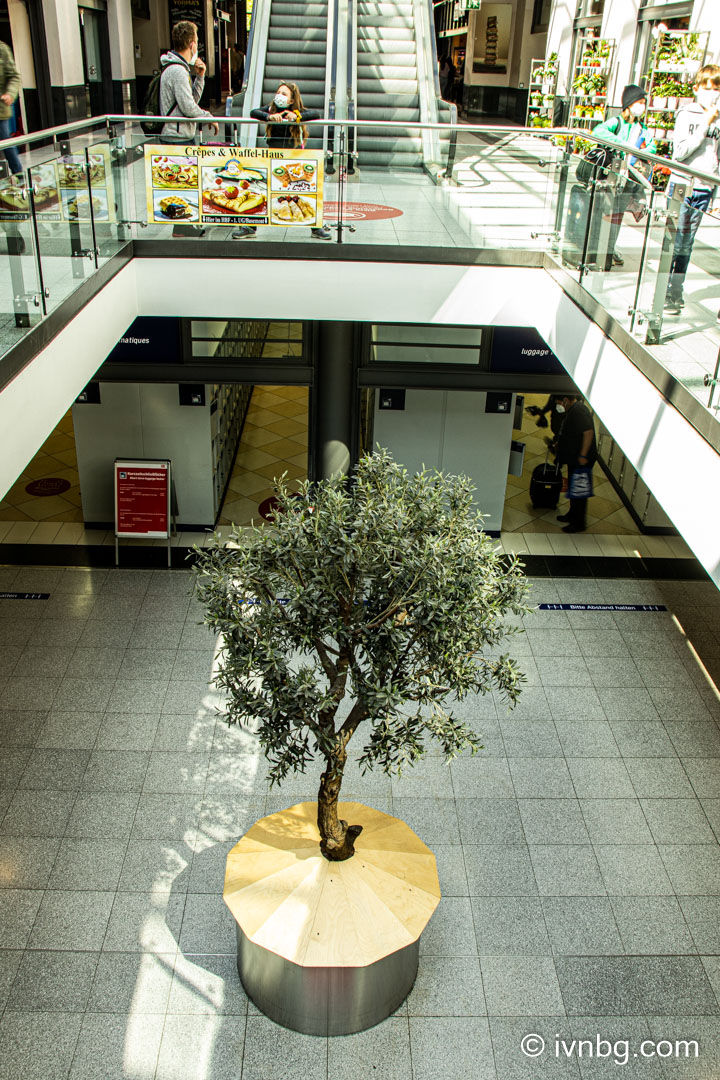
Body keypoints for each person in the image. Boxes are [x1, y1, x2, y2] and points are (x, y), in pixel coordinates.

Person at [233, 81, 331, 240]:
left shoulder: (296, 110)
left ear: (292, 100)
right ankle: (251, 226)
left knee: (305, 191)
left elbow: (315, 114)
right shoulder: (271, 109)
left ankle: (316, 227)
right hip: (274, 157)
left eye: (284, 94)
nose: (279, 96)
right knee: (262, 190)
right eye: (278, 92)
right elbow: (254, 112)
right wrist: (269, 117)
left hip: (294, 159)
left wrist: (297, 116)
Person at [664, 64, 720, 315]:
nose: (712, 93)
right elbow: (680, 152)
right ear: (696, 88)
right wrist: (705, 123)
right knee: (674, 242)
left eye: (717, 88)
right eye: (707, 87)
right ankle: (665, 291)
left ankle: (675, 291)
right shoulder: (687, 114)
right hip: (681, 185)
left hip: (705, 188)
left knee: (687, 244)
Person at [159, 20, 219, 237]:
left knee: (184, 182)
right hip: (177, 136)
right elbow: (187, 107)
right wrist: (208, 116)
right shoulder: (176, 70)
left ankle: (183, 224)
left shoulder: (178, 68)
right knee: (182, 182)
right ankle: (182, 226)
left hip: (178, 133)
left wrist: (200, 77)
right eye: (197, 42)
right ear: (192, 44)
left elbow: (189, 101)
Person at [589, 84, 656, 268]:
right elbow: (598, 131)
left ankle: (609, 249)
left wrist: (638, 152)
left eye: (644, 103)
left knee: (617, 217)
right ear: (630, 103)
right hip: (611, 178)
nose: (642, 106)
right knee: (604, 214)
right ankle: (599, 249)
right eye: (639, 102)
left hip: (628, 180)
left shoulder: (642, 128)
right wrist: (624, 145)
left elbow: (652, 147)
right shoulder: (617, 122)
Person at [554, 394, 597, 534]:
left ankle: (578, 523)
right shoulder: (573, 410)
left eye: (560, 402)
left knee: (579, 491)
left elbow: (588, 432)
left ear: (566, 400)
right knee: (574, 487)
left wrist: (583, 455)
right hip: (575, 458)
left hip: (582, 459)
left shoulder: (579, 410)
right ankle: (572, 514)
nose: (559, 406)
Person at [0, 40, 22, 177]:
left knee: (8, 148)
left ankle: (20, 179)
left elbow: (14, 76)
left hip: (1, 111)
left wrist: (10, 94)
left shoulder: (2, 49)